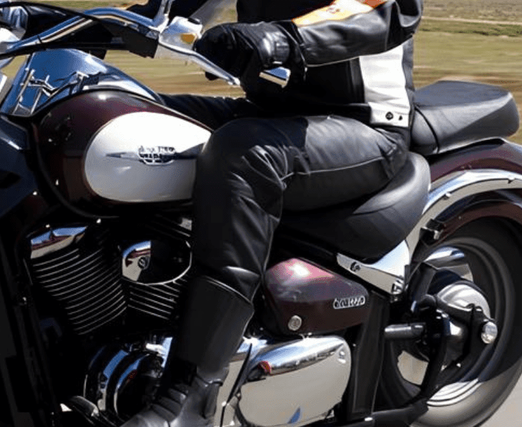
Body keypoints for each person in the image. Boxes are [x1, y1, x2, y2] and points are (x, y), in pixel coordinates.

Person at [117, 0, 423, 426]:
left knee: (242, 155)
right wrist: (101, 19)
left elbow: (385, 10)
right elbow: (177, 9)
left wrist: (280, 38)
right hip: (271, 112)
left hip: (364, 123)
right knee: (125, 113)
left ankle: (191, 396)